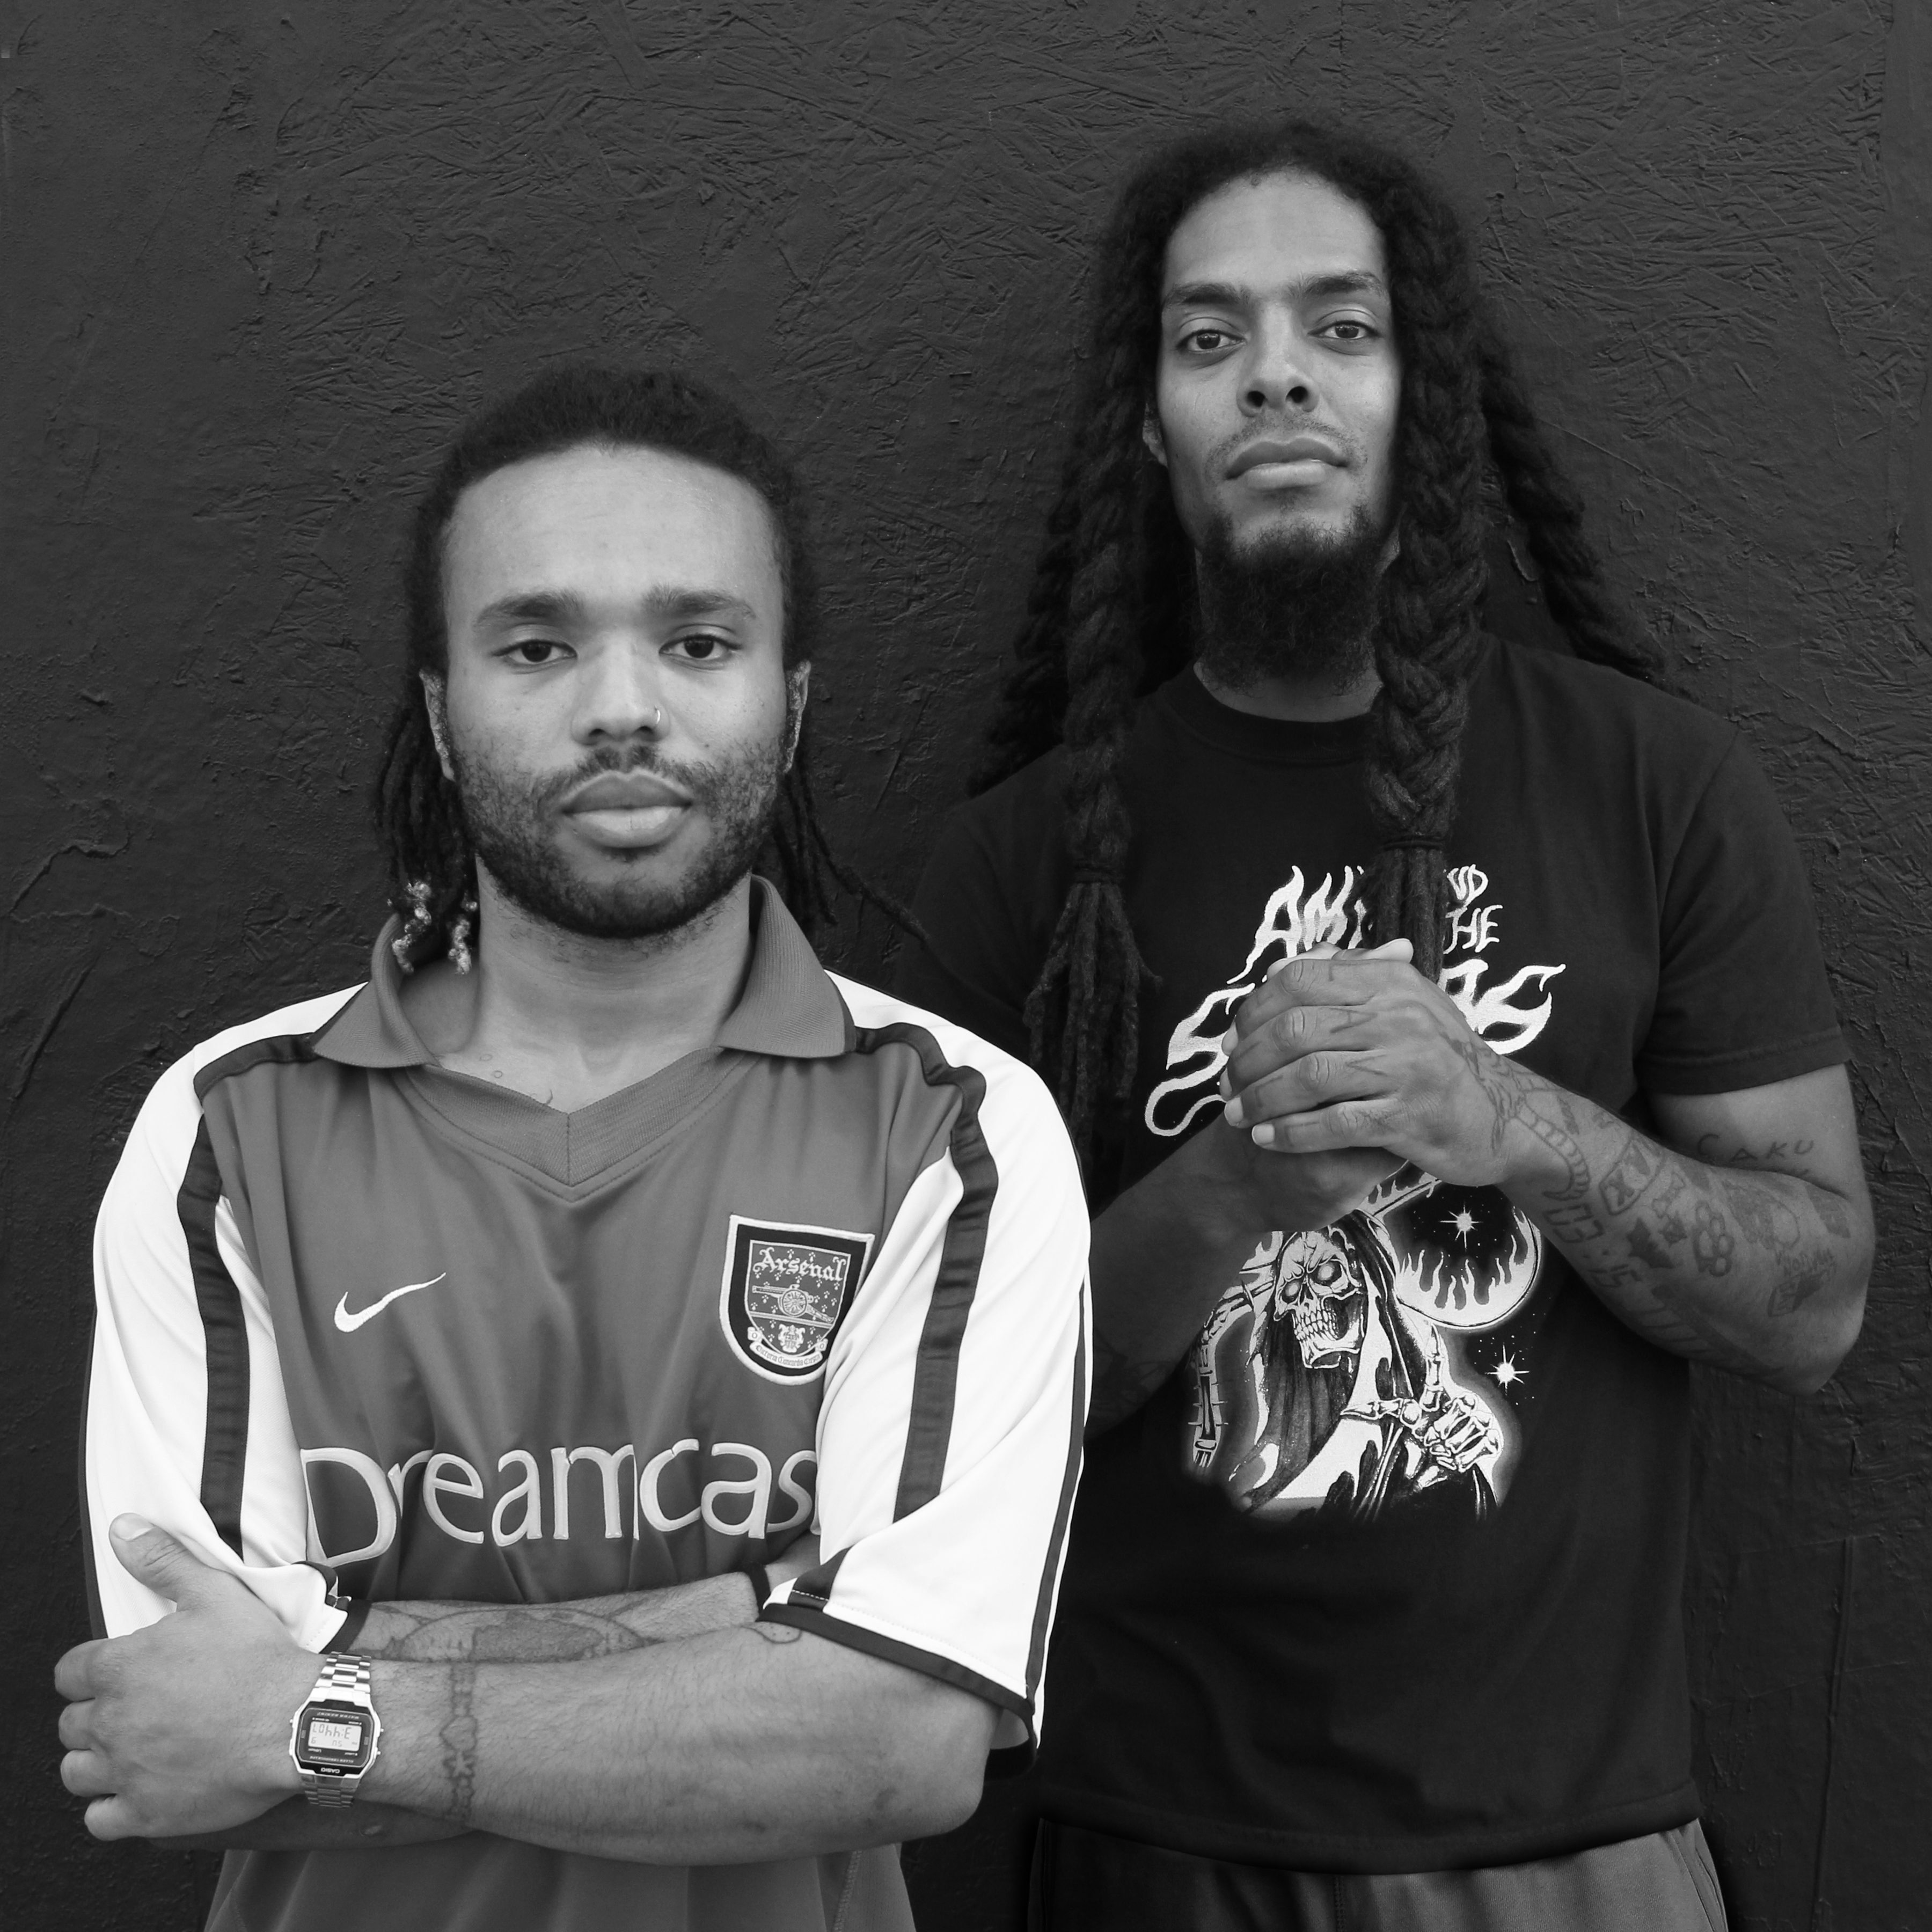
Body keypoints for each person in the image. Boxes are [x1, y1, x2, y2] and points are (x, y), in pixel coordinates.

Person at [894, 121, 1871, 1931]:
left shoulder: (1657, 786)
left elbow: (1815, 1306)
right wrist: (1231, 1188)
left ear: (1430, 400)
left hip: (1576, 1846)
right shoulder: (1020, 864)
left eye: (1340, 328)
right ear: (1151, 426)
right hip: (1155, 1849)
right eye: (1211, 339)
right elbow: (936, 1410)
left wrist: (1512, 1121)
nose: (1276, 374)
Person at [59, 365, 1090, 1932]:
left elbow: (900, 1742)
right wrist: (759, 1619)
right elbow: (180, 1727)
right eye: (538, 645)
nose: (623, 705)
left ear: (793, 699)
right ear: (440, 707)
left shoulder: (954, 1129)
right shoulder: (229, 1130)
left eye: (699, 642)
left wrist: (317, 1706)